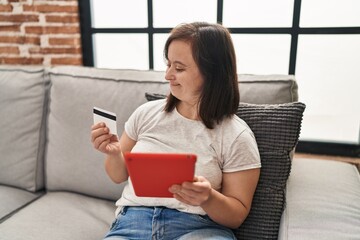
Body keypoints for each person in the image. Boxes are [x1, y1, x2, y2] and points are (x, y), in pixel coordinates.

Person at [91, 22, 261, 240]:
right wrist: (114, 153)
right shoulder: (146, 114)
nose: (168, 75)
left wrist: (208, 198)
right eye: (168, 64)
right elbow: (117, 176)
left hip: (199, 228)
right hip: (134, 222)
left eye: (179, 68)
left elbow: (237, 215)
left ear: (213, 72)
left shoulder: (236, 136)